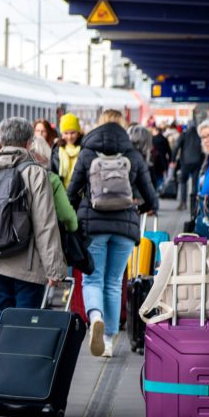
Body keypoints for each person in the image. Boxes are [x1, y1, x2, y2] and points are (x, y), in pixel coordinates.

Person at [0, 117, 67, 398]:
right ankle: (15, 382)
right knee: (23, 322)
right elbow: (45, 223)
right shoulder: (35, 172)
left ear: (2, 140)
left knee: (1, 318)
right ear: (29, 142)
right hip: (25, 266)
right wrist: (55, 269)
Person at [66, 109, 158, 358]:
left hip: (93, 225)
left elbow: (72, 193)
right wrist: (144, 206)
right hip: (125, 227)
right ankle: (108, 339)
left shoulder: (87, 153)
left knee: (93, 279)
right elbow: (151, 197)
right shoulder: (133, 154)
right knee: (114, 283)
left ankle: (94, 316)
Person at [29, 135, 78, 233]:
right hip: (47, 235)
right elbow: (67, 215)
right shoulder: (52, 179)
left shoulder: (16, 174)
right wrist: (72, 227)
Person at [175, 120, 205, 211]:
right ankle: (194, 205)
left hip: (185, 162)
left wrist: (172, 159)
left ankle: (183, 203)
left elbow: (176, 147)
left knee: (183, 181)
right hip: (197, 163)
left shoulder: (184, 135)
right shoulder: (200, 136)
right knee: (195, 183)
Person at [51, 113, 83, 186]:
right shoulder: (56, 150)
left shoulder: (84, 149)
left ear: (78, 133)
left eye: (72, 133)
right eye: (66, 133)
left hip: (79, 193)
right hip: (61, 191)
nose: (69, 137)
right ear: (62, 134)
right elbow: (53, 173)